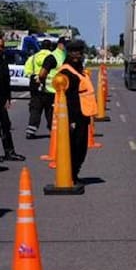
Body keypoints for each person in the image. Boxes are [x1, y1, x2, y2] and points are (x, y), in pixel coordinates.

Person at [56, 39, 98, 184]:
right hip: (73, 117)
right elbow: (68, 99)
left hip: (83, 115)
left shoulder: (78, 69)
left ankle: (74, 174)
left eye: (79, 52)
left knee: (81, 148)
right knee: (75, 148)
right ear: (68, 53)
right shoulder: (67, 72)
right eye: (73, 52)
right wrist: (71, 120)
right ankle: (71, 175)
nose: (77, 55)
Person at [0, 35, 26, 162]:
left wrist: (8, 98)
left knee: (6, 125)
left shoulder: (3, 61)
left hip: (1, 98)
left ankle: (9, 152)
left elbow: (5, 81)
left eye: (1, 46)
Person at [24, 39, 58, 138]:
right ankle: (53, 130)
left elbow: (27, 71)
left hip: (36, 86)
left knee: (35, 109)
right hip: (50, 88)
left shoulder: (33, 58)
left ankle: (31, 130)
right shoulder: (53, 57)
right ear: (50, 47)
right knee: (50, 110)